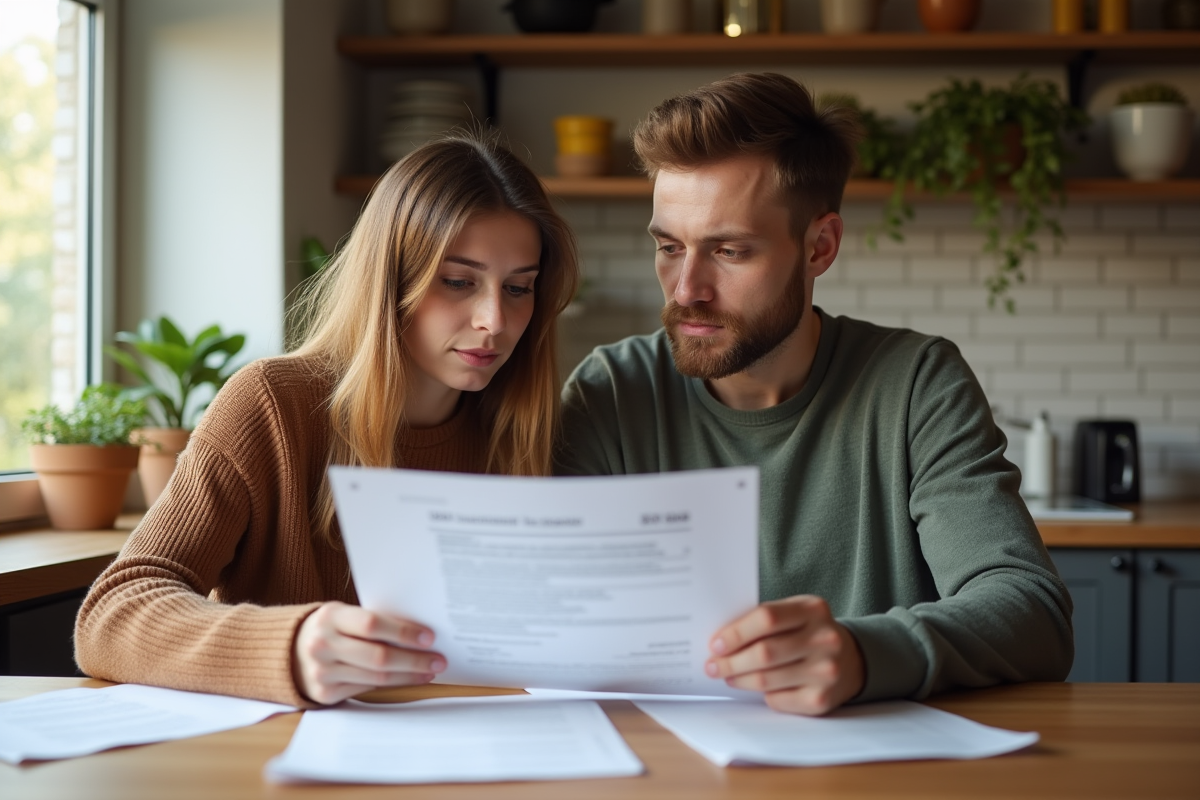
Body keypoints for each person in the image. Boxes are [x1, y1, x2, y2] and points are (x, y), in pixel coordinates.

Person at [556, 73, 1074, 716]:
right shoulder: (610, 393)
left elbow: (1031, 610)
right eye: (669, 247)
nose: (686, 288)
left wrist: (863, 654)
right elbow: (550, 613)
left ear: (819, 246)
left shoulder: (916, 383)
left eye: (730, 250)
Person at [75, 131, 580, 707]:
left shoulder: (526, 433)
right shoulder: (271, 406)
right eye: (459, 281)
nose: (495, 319)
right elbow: (111, 614)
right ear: (389, 280)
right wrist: (288, 648)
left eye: (519, 288)